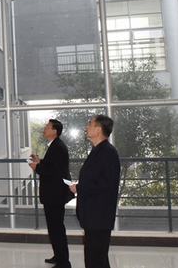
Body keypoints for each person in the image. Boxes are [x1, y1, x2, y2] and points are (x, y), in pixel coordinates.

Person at [69, 115, 121, 268]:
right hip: (94, 215)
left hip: (99, 216)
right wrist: (80, 186)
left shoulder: (108, 152)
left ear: (98, 129)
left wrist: (79, 188)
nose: (87, 127)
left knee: (95, 259)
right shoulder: (98, 150)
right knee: (96, 258)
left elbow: (106, 185)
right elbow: (95, 179)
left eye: (90, 124)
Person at [29, 119, 73, 268]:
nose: (45, 128)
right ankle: (59, 256)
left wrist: (37, 167)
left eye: (48, 127)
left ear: (55, 131)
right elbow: (52, 165)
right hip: (54, 195)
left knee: (56, 229)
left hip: (55, 195)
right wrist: (40, 161)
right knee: (54, 228)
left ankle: (63, 262)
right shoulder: (55, 145)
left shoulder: (58, 147)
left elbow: (53, 172)